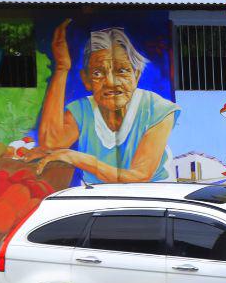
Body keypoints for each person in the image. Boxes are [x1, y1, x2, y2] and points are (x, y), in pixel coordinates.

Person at [29, 20, 177, 184]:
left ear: (136, 76)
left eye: (122, 70)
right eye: (98, 73)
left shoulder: (157, 109)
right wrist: (61, 68)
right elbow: (51, 144)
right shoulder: (83, 109)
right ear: (86, 80)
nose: (111, 82)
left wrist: (76, 158)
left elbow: (139, 176)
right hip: (97, 196)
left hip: (151, 195)